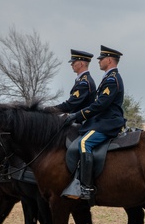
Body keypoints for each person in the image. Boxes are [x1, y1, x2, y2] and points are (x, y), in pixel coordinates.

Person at [62, 45, 126, 200]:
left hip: (109, 122)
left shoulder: (112, 80)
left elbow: (100, 105)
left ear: (109, 60)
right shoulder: (109, 78)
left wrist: (77, 116)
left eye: (102, 59)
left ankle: (86, 187)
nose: (99, 61)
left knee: (84, 143)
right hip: (102, 121)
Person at [52, 49, 95, 113]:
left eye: (74, 62)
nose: (71, 64)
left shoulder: (84, 82)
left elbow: (71, 104)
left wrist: (52, 109)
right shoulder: (82, 80)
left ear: (81, 64)